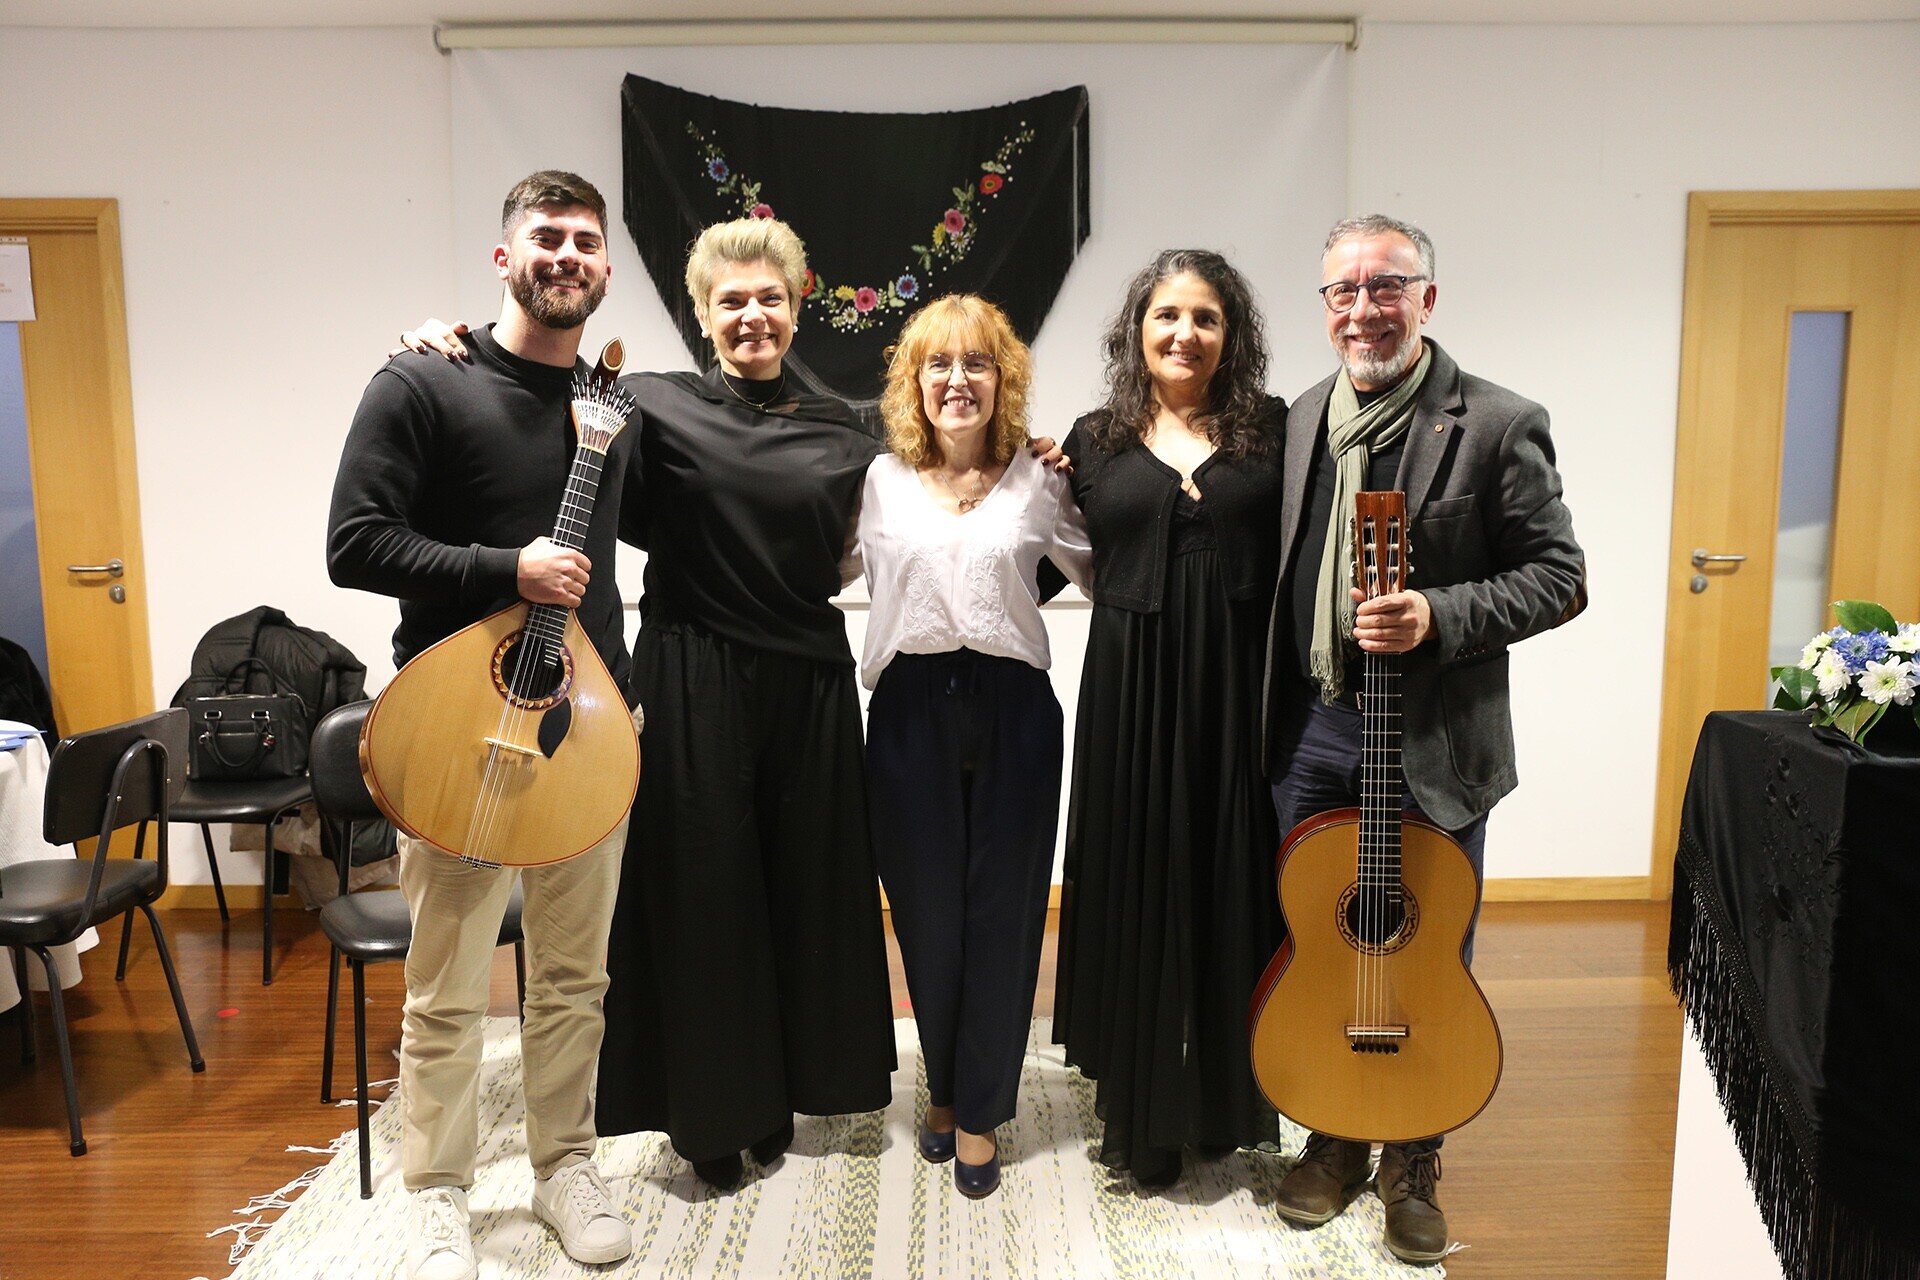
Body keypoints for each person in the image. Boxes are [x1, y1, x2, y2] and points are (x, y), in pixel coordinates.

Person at [328, 171, 642, 1280]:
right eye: (544, 236)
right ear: (504, 258)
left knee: (574, 976)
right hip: (455, 724)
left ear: (605, 269)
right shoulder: (424, 380)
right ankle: (439, 1191)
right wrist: (502, 567)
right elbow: (353, 543)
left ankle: (566, 1166)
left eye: (586, 241)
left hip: (586, 730)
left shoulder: (615, 405)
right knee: (447, 983)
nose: (567, 254)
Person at [1262, 213, 1583, 1263]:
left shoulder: (1494, 421)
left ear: (1427, 299)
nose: (1364, 308)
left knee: (1420, 940)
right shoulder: (1306, 415)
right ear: (1324, 308)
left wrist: (1441, 613)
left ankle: (1413, 1152)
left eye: (1386, 285)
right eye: (1343, 291)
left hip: (1433, 740)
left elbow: (1559, 575)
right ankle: (1334, 1128)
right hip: (1314, 728)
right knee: (1326, 939)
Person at [1051, 248, 1288, 1188]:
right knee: (1138, 872)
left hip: (1238, 689)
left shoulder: (1275, 429)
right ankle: (1144, 1114)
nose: (1184, 333)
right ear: (1136, 332)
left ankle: (1229, 1101)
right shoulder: (1094, 436)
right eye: (1167, 316)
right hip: (1131, 690)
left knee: (1230, 876)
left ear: (1231, 336)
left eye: (1205, 318)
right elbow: (1038, 552)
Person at [854, 295, 1091, 1198]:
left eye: (978, 363)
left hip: (1014, 709)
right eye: (939, 364)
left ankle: (981, 1108)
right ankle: (942, 1086)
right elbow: (820, 562)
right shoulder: (877, 482)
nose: (959, 380)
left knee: (1003, 911)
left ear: (1005, 380)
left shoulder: (1042, 479)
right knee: (923, 914)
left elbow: (1106, 568)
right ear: (914, 381)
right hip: (909, 707)